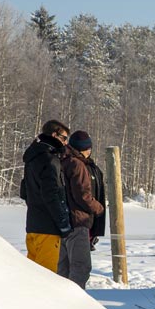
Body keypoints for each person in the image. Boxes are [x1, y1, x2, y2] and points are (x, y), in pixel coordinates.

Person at [20, 119, 73, 272]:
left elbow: (24, 191)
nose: (65, 143)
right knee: (46, 276)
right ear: (54, 135)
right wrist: (63, 222)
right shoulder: (50, 160)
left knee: (33, 274)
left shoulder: (32, 158)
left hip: (32, 226)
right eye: (64, 138)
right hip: (48, 229)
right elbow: (51, 194)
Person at [57, 130, 105, 289]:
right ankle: (76, 301)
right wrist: (98, 208)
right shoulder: (77, 165)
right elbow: (83, 195)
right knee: (80, 268)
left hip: (62, 222)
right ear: (85, 149)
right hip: (78, 221)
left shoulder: (61, 160)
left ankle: (61, 299)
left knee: (62, 269)